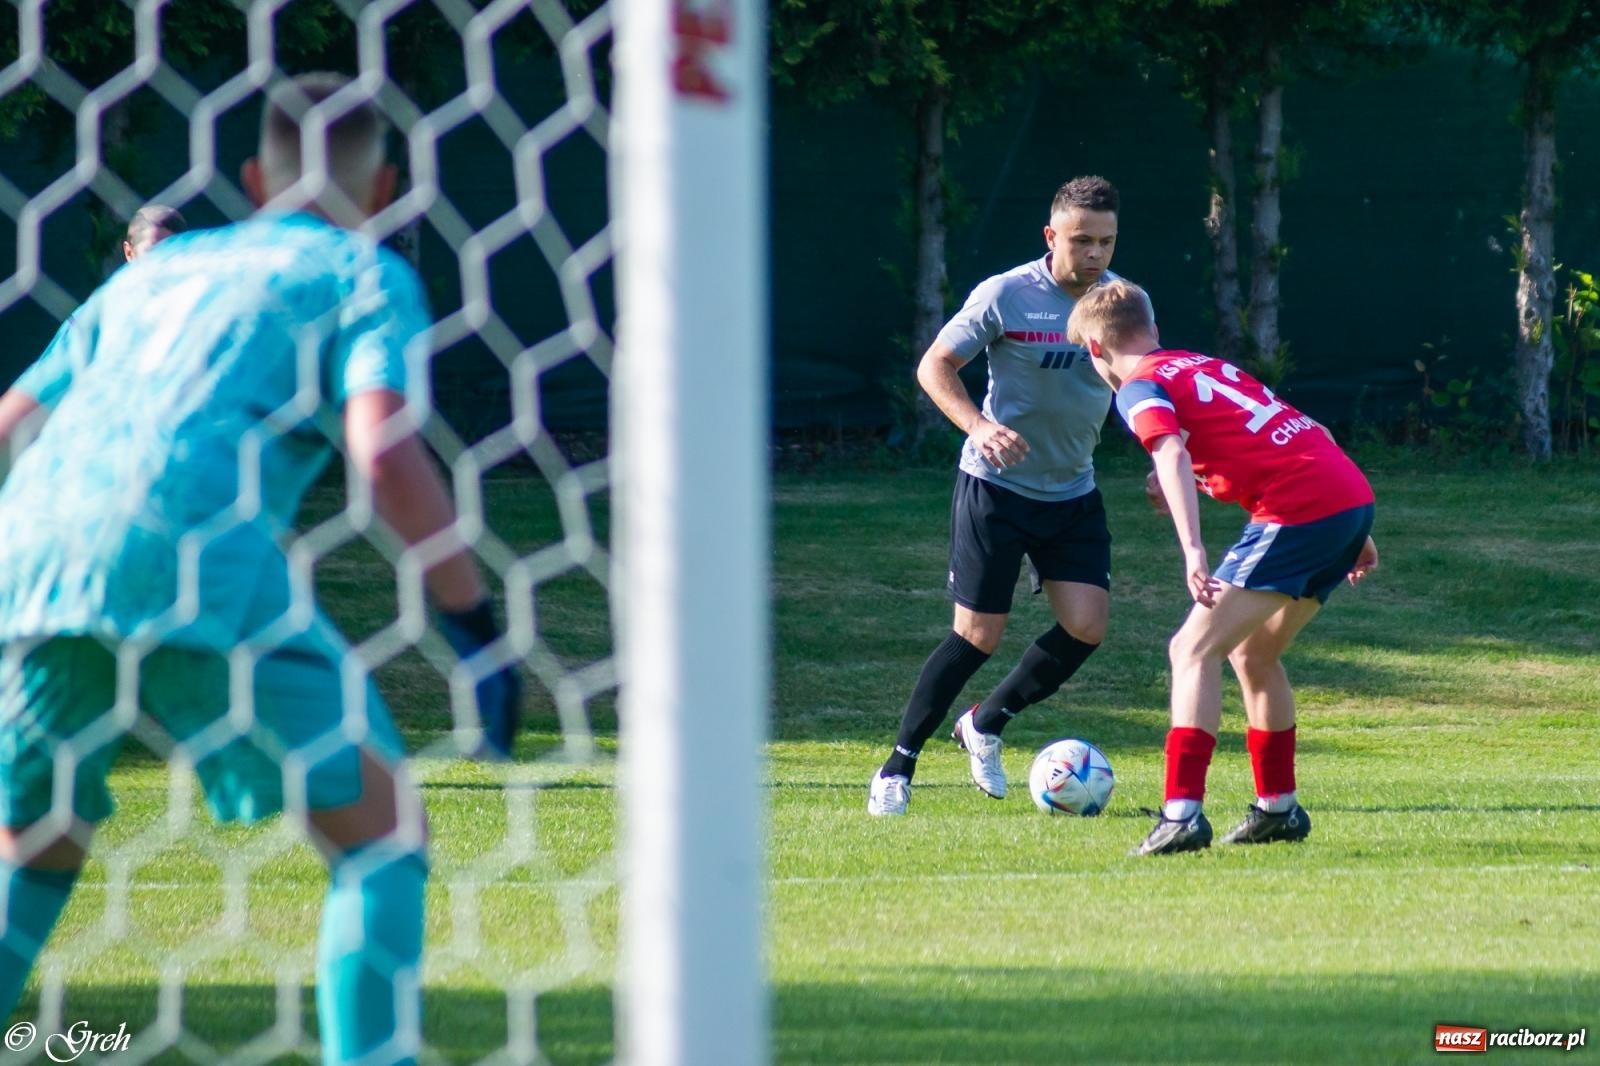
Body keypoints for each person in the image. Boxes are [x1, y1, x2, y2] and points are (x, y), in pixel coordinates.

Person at [0, 73, 521, 1065]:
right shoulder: (362, 273)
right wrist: (474, 629)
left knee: (36, 844)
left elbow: (13, 425)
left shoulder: (155, 272)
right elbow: (383, 454)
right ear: (384, 194)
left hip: (31, 559)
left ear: (251, 176)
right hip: (191, 552)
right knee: (381, 831)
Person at [1064, 279, 1378, 856]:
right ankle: (1277, 809)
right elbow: (1308, 432)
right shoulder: (1201, 365)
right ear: (1152, 330)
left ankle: (1182, 813)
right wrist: (1357, 529)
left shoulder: (1139, 385)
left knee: (1191, 649)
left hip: (1302, 508)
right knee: (1253, 652)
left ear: (1093, 349)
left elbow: (1171, 450)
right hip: (1345, 496)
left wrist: (1193, 549)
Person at [869, 175, 1126, 816]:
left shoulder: (1124, 301)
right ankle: (897, 766)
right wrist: (981, 427)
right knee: (978, 634)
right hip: (996, 488)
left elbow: (1138, 380)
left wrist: (1163, 455)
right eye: (1082, 240)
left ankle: (983, 724)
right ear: (1051, 236)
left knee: (1087, 626)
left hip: (1072, 491)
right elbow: (935, 365)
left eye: (1107, 241)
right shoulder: (1006, 293)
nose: (1095, 254)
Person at [0, 204, 189, 449]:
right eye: (153, 253)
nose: (163, 263)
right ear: (130, 253)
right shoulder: (100, 317)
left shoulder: (203, 311)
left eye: (173, 252)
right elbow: (36, 397)